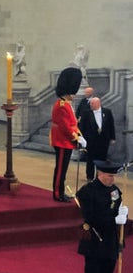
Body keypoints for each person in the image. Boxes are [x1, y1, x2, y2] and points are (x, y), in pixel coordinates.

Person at [76, 160, 127, 273]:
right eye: (109, 176)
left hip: (111, 241)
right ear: (100, 174)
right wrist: (113, 219)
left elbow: (116, 205)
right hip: (95, 241)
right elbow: (91, 217)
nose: (112, 179)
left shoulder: (115, 191)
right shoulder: (88, 192)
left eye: (113, 176)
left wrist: (122, 215)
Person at [51, 67, 84, 202]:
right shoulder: (62, 105)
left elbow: (73, 124)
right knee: (60, 170)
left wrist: (80, 136)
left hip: (66, 141)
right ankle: (58, 193)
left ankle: (61, 191)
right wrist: (76, 138)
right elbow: (65, 127)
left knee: (63, 169)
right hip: (62, 141)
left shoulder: (67, 104)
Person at [78, 97, 116, 182]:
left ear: (98, 103)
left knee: (102, 159)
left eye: (92, 103)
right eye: (90, 103)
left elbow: (111, 125)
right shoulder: (86, 113)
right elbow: (82, 126)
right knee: (90, 159)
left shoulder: (107, 112)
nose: (90, 105)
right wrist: (81, 137)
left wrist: (112, 137)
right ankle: (90, 177)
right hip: (91, 140)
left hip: (104, 140)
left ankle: (99, 176)